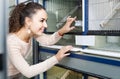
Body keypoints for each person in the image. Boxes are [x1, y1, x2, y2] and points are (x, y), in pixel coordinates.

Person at [7, 1, 76, 79]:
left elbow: (49, 40)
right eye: (41, 20)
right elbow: (28, 72)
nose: (46, 25)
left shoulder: (32, 33)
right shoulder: (11, 42)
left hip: (17, 74)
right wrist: (56, 58)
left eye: (45, 21)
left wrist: (62, 30)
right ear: (28, 21)